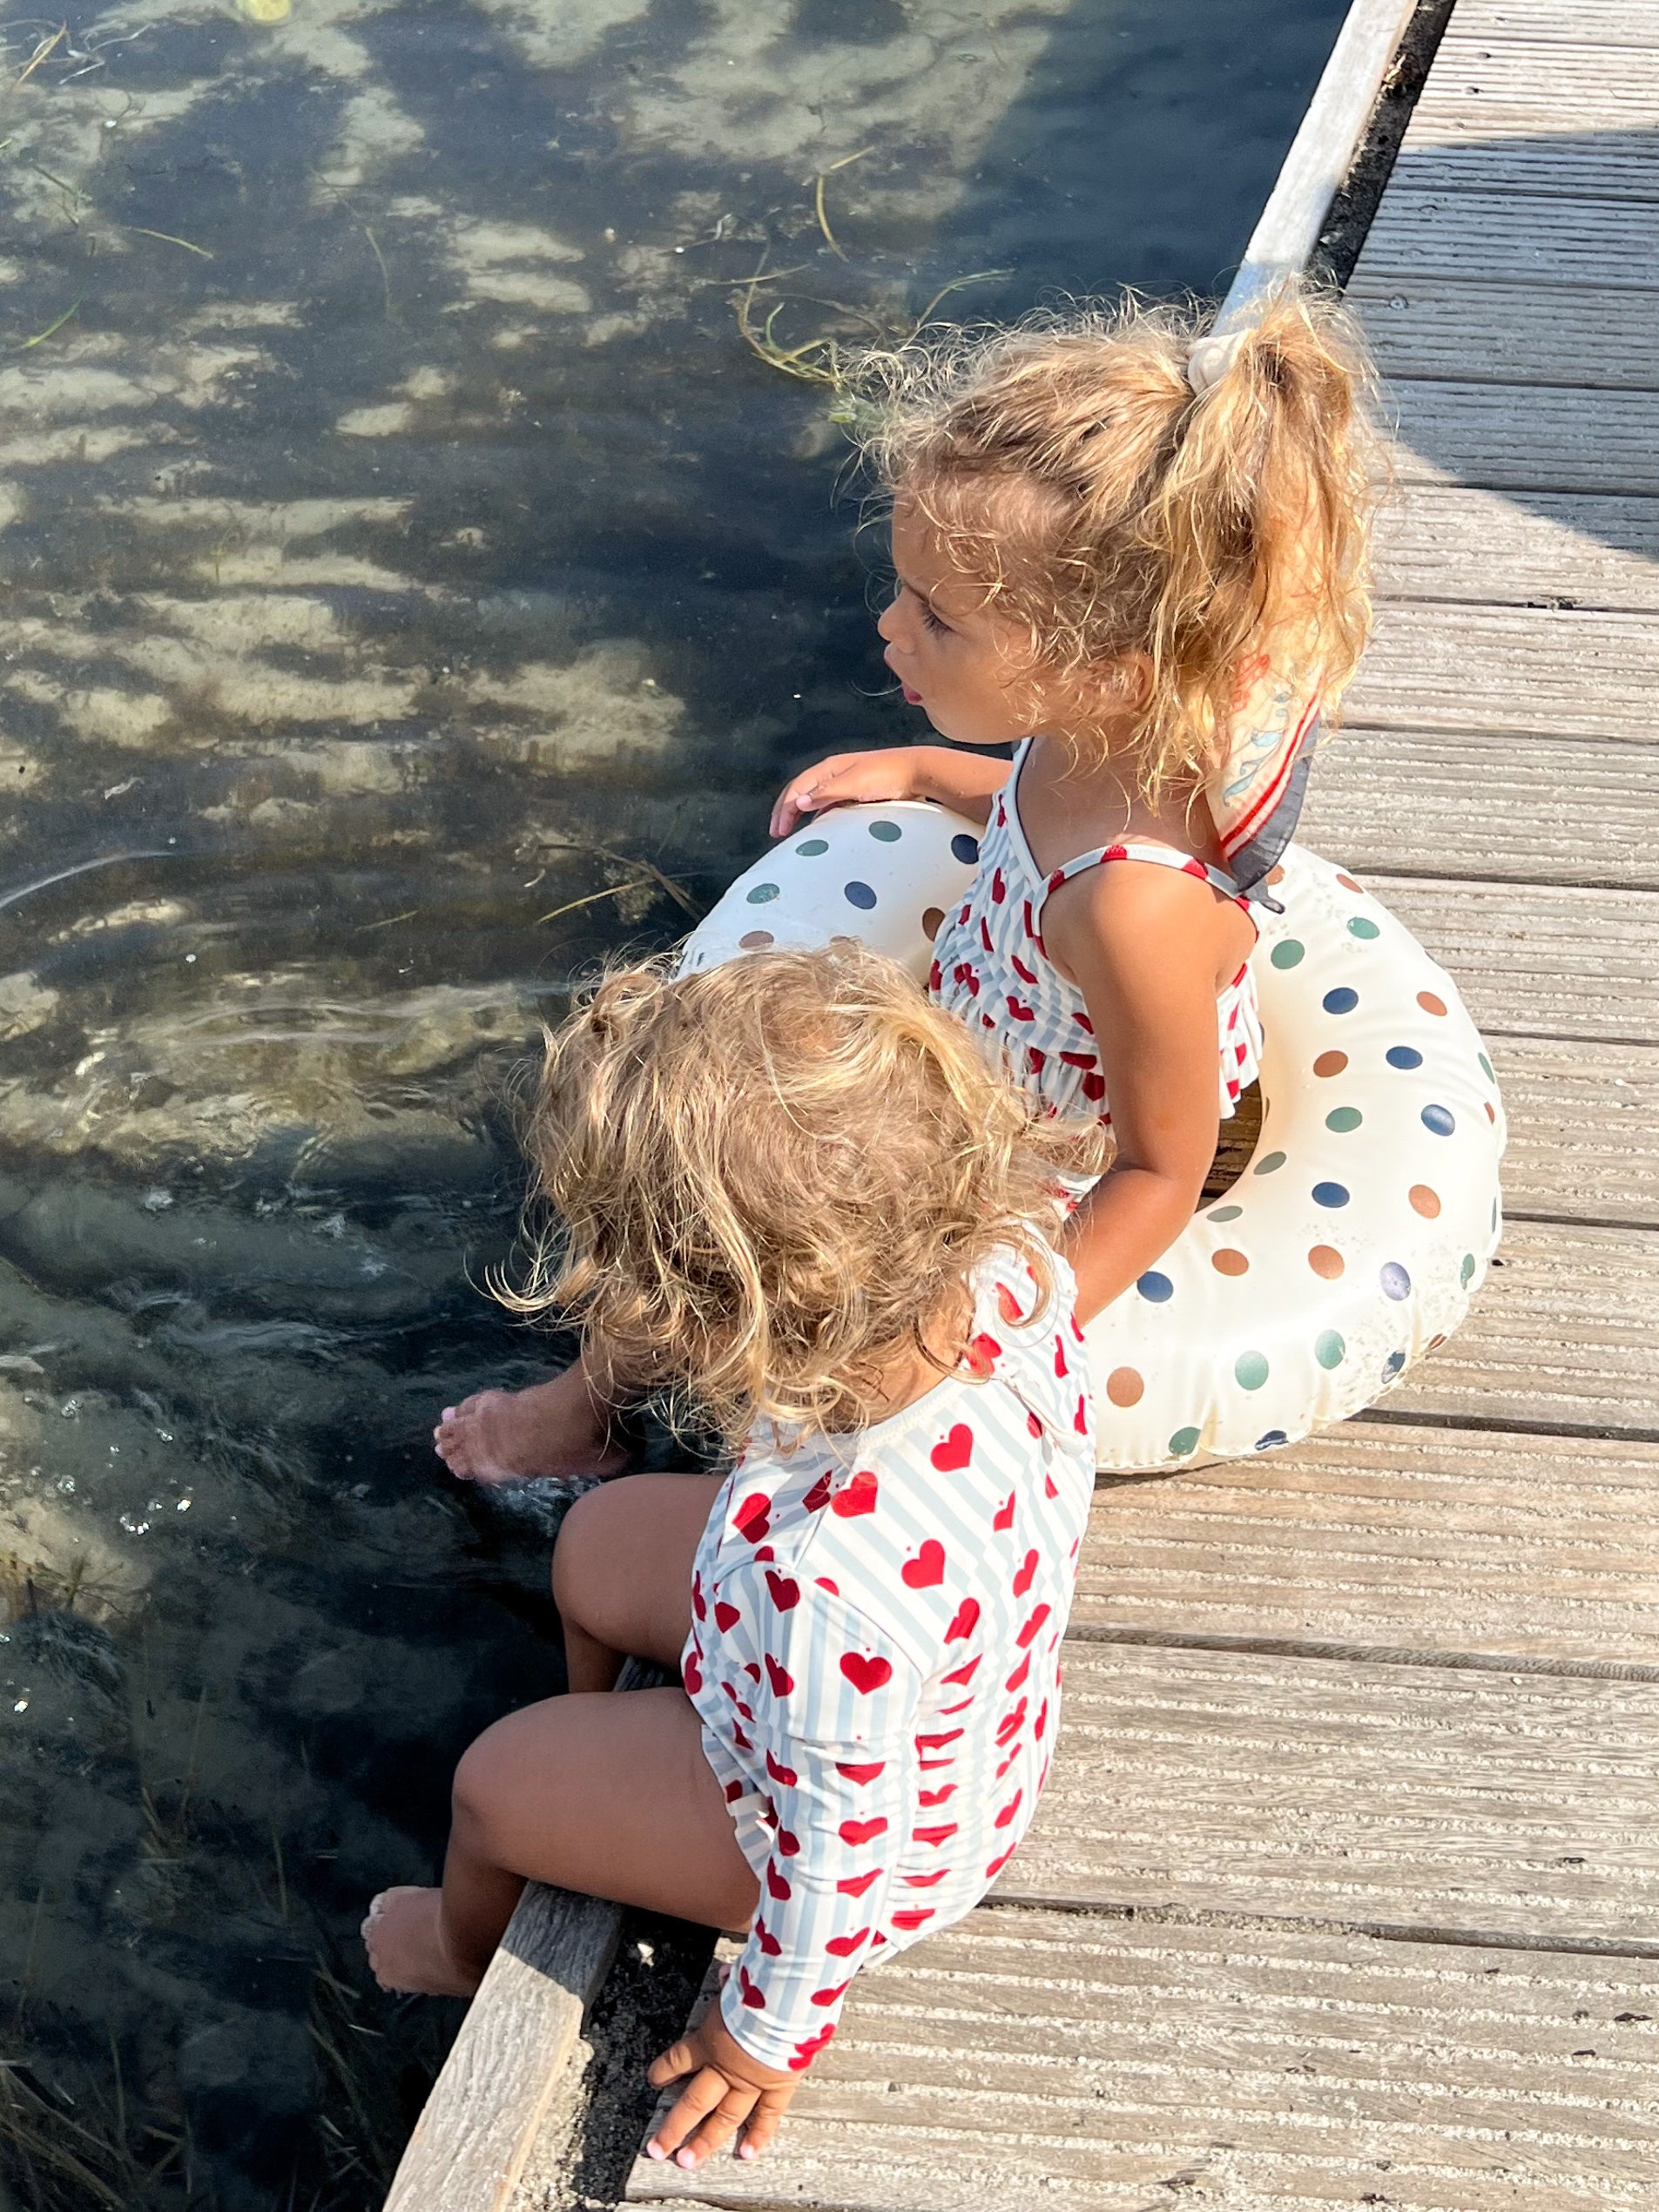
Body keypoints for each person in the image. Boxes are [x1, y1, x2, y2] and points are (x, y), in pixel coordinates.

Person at [433, 278, 1378, 1481]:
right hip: (990, 1059)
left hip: (1049, 1159)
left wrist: (988, 1344)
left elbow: (1159, 1165)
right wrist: (934, 770)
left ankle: (602, 1415)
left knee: (735, 1183)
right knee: (722, 1139)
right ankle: (601, 1402)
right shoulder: (1103, 740)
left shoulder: (1134, 907)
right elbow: (1037, 811)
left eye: (937, 620)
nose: (889, 630)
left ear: (1112, 668)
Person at [368, 947, 1101, 2169]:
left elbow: (840, 1853)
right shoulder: (1005, 1277)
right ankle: (603, 1766)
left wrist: (763, 2037)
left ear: (711, 1316)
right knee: (597, 1542)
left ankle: (460, 1947)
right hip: (904, 1712)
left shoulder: (824, 1582)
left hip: (867, 1840)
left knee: (493, 1786)